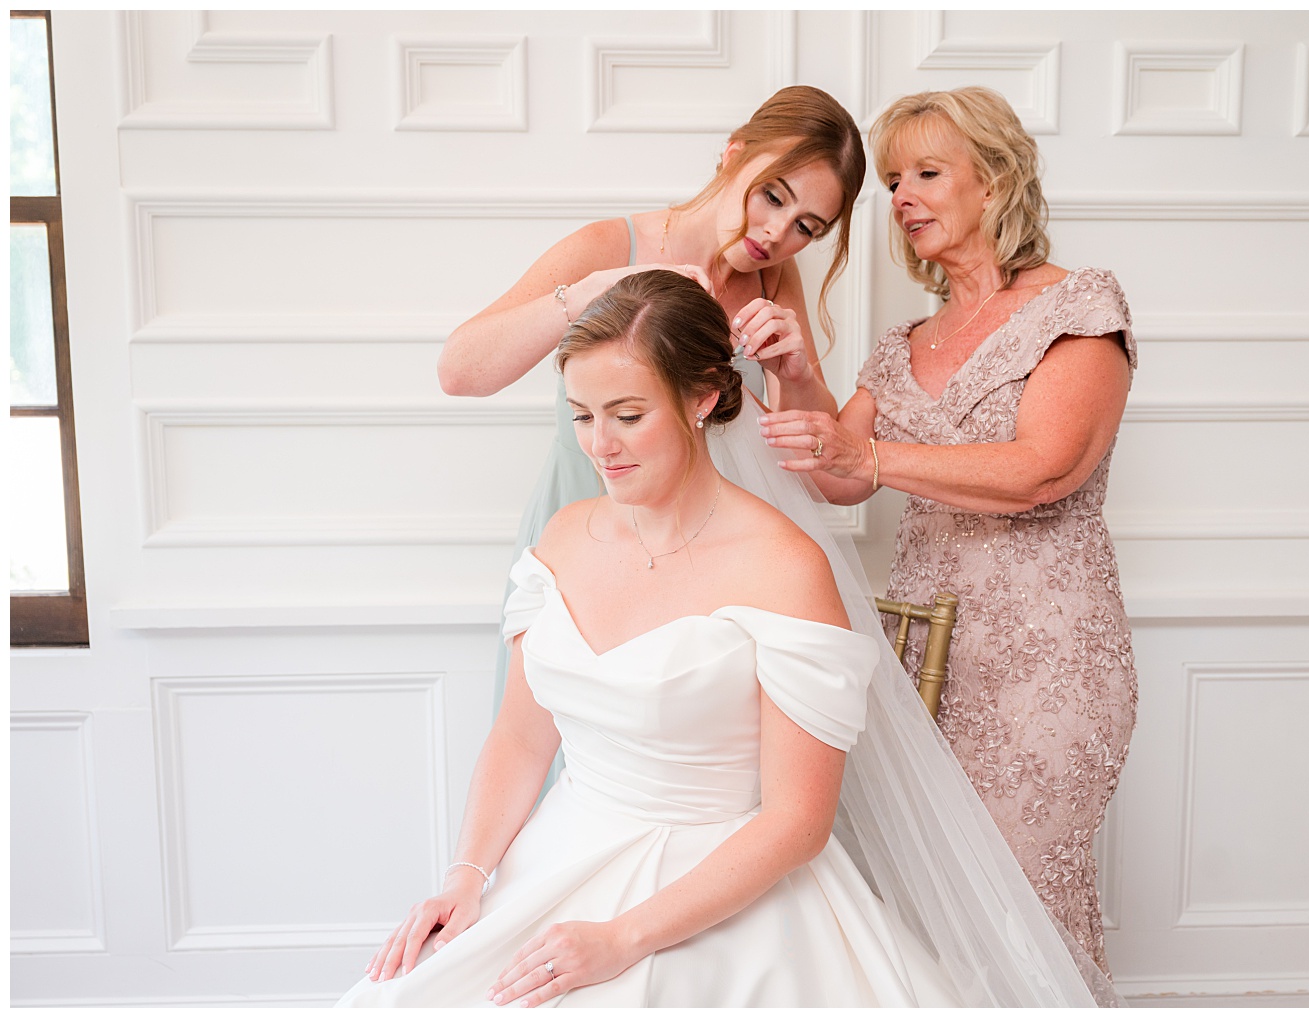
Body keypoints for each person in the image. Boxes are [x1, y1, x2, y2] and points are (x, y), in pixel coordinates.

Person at [338, 271, 1114, 1007]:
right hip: (559, 856)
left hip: (719, 884)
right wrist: (467, 875)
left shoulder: (783, 567)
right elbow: (518, 738)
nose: (599, 444)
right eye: (582, 415)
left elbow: (799, 821)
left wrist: (623, 939)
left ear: (704, 398)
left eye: (628, 414)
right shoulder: (565, 536)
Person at [756, 86, 1138, 974]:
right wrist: (796, 369)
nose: (902, 196)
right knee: (925, 905)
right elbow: (832, 475)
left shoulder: (1077, 308)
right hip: (920, 658)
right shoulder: (901, 343)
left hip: (1049, 661)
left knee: (1026, 899)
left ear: (997, 182)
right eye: (893, 180)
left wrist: (876, 459)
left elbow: (1044, 469)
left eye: (928, 172)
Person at [439, 86, 867, 796]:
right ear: (735, 154)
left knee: (687, 784)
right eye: (772, 196)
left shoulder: (773, 280)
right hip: (588, 550)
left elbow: (831, 478)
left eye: (806, 226)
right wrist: (587, 295)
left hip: (705, 579)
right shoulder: (611, 245)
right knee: (562, 773)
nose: (778, 232)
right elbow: (460, 369)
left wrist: (796, 375)